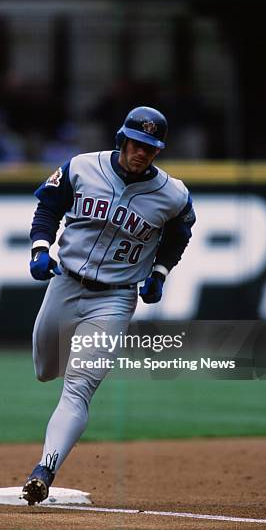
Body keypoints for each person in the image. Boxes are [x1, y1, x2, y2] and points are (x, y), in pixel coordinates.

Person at [22, 106, 196, 505]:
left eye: (151, 148)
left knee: (79, 386)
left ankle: (43, 470)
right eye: (137, 144)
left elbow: (177, 238)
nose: (142, 153)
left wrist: (161, 272)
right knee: (45, 369)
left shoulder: (173, 194)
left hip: (115, 298)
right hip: (65, 284)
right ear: (122, 140)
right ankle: (46, 456)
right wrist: (39, 248)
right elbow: (48, 207)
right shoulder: (82, 167)